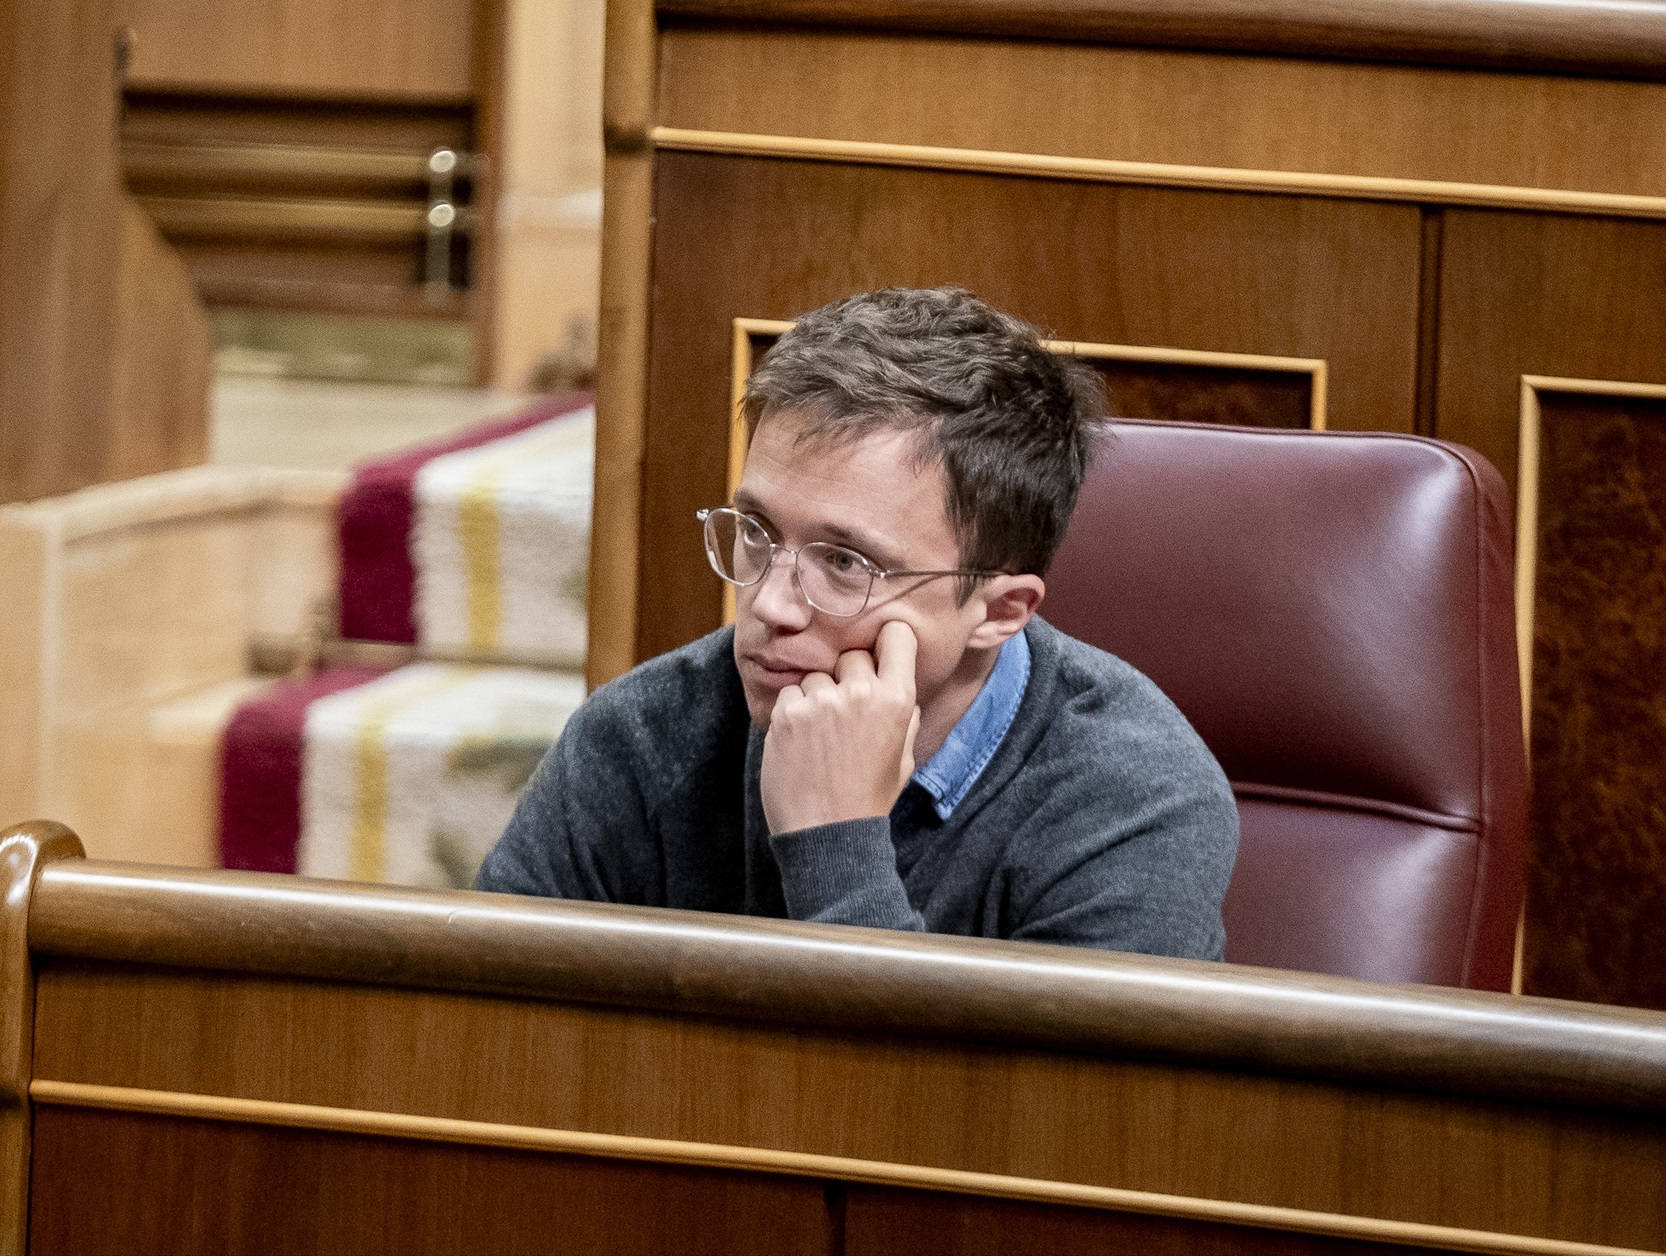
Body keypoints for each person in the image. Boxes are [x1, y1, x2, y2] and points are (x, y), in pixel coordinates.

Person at [475, 287, 1238, 958]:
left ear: (998, 612)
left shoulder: (1138, 807)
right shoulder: (643, 739)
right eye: (757, 531)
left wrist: (836, 847)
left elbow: (1033, 1125)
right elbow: (482, 1038)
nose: (771, 604)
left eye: (845, 564)